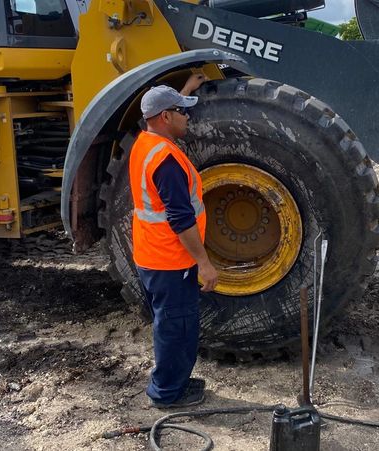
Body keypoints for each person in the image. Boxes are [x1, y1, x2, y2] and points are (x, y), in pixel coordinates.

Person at [128, 74, 219, 409]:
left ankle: (175, 379)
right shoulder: (165, 161)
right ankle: (167, 393)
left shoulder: (146, 143)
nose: (188, 116)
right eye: (182, 111)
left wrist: (185, 92)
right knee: (176, 326)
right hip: (171, 258)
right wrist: (204, 263)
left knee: (172, 322)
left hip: (152, 253)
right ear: (165, 117)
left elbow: (162, 111)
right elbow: (181, 219)